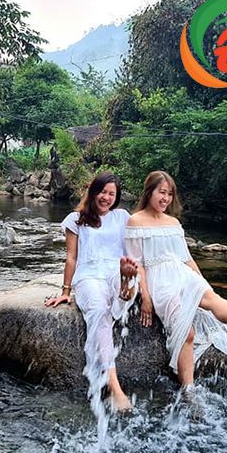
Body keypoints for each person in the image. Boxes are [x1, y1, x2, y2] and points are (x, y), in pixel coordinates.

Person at [124, 170, 227, 389]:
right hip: (159, 280)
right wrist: (145, 297)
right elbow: (138, 265)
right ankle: (189, 390)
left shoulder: (173, 223)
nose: (166, 198)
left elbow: (187, 259)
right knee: (188, 332)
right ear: (149, 192)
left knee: (211, 298)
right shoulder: (135, 221)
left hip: (182, 273)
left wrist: (203, 283)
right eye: (161, 192)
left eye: (170, 194)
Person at [45, 172, 139, 412]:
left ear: (117, 197)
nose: (106, 197)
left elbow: (140, 241)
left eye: (112, 194)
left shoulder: (122, 217)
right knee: (99, 312)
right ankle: (114, 386)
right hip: (89, 276)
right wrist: (66, 290)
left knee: (126, 276)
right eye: (103, 192)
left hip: (116, 271)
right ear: (93, 191)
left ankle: (125, 288)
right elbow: (71, 257)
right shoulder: (75, 220)